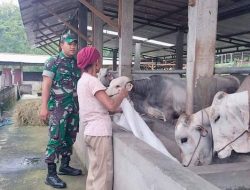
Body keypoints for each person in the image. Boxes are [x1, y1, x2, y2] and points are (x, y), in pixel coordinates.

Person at [77, 47, 128, 190]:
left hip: (89, 133)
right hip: (100, 133)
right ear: (96, 62)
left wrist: (120, 109)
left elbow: (98, 106)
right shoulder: (93, 81)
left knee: (94, 173)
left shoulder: (82, 81)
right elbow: (110, 105)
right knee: (103, 176)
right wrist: (122, 95)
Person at [40, 31, 82, 189]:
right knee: (55, 139)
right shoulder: (53, 61)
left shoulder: (76, 63)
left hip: (73, 108)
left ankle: (65, 165)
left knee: (70, 137)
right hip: (58, 109)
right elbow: (46, 85)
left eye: (74, 43)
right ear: (61, 45)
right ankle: (50, 175)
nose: (73, 46)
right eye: (69, 43)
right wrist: (43, 106)